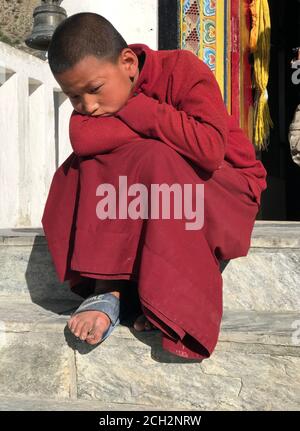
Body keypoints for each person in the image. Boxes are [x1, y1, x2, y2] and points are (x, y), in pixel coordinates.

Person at [42, 12, 267, 360]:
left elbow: (208, 150)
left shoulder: (182, 70)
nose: (87, 106)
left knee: (154, 157)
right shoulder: (96, 102)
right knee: (85, 166)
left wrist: (141, 110)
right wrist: (147, 126)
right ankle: (111, 289)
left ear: (128, 62)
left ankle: (168, 295)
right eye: (73, 98)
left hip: (227, 185)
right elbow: (82, 138)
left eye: (94, 90)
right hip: (164, 191)